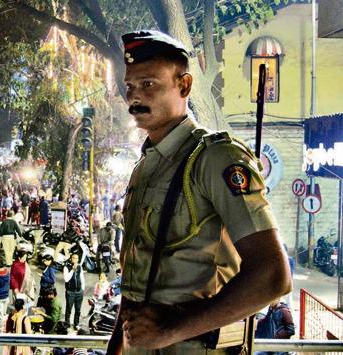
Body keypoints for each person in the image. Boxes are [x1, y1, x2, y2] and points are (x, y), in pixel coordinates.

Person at [108, 30, 291, 354]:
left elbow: (272, 276)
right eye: (130, 87)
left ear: (185, 85)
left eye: (148, 84)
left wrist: (169, 329)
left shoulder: (215, 159)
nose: (134, 97)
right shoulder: (145, 167)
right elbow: (137, 282)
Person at [63, 253, 85, 330]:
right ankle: (67, 324)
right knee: (69, 309)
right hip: (70, 292)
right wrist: (72, 270)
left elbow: (82, 278)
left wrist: (82, 289)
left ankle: (76, 324)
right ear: (71, 259)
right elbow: (66, 279)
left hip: (79, 292)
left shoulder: (80, 267)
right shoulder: (66, 267)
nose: (75, 260)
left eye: (76, 258)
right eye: (73, 258)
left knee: (78, 309)